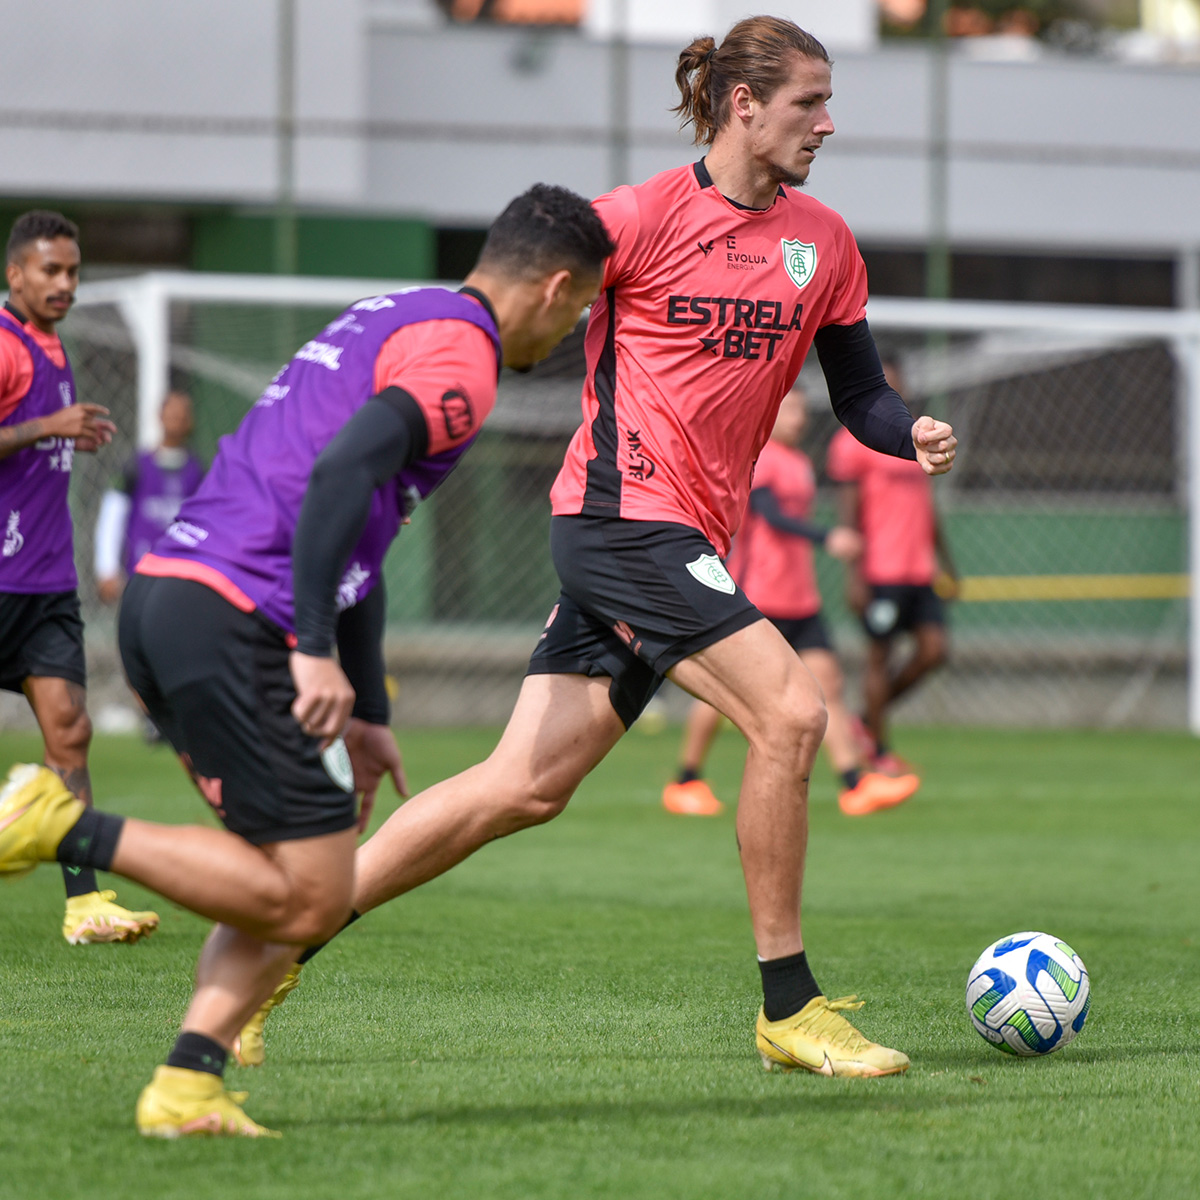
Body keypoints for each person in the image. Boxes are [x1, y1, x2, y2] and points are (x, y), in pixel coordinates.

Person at [235, 15, 958, 1082]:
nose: (827, 121)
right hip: (621, 521)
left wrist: (910, 433)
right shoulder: (638, 217)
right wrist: (451, 357)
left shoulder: (827, 243)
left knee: (517, 790)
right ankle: (788, 1006)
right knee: (793, 711)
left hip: (677, 537)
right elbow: (522, 283)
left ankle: (279, 941)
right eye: (808, 102)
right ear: (742, 104)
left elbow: (857, 393)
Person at [0, 183, 614, 1138]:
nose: (572, 333)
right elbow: (340, 476)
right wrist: (317, 654)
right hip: (235, 614)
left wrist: (366, 706)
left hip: (176, 602)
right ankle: (62, 825)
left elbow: (364, 534)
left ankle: (188, 1084)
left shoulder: (400, 312)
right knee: (315, 891)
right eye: (581, 312)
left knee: (281, 875)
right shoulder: (467, 360)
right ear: (557, 288)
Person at [0, 210, 159, 945]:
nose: (65, 283)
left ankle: (83, 902)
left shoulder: (52, 346)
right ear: (16, 275)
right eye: (50, 271)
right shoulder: (5, 346)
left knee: (70, 730)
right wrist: (45, 427)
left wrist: (65, 432)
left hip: (43, 586)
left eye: (72, 270)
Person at [661, 385, 920, 819]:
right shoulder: (761, 458)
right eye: (791, 409)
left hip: (801, 600)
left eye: (802, 409)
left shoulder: (800, 463)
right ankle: (686, 779)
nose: (799, 418)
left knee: (829, 688)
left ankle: (855, 784)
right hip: (761, 596)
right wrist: (828, 537)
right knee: (722, 694)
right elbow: (771, 517)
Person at [827, 357, 959, 775]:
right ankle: (879, 753)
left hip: (919, 570)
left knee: (934, 651)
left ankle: (866, 720)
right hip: (880, 571)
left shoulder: (915, 437)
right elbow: (848, 517)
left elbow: (927, 506)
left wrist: (946, 561)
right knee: (878, 659)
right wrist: (855, 575)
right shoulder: (850, 443)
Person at [94, 390, 205, 607]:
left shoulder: (198, 472)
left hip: (182, 578)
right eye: (172, 413)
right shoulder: (135, 466)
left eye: (183, 415)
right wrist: (106, 569)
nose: (177, 420)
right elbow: (112, 518)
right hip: (140, 575)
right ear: (160, 416)